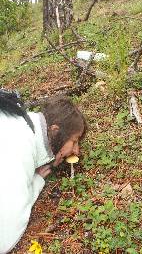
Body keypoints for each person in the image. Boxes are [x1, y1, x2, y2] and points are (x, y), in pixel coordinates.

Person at [0, 89, 87, 254]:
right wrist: (36, 181)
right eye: (74, 141)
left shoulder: (21, 121)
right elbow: (4, 239)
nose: (77, 151)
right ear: (55, 130)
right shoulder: (19, 149)